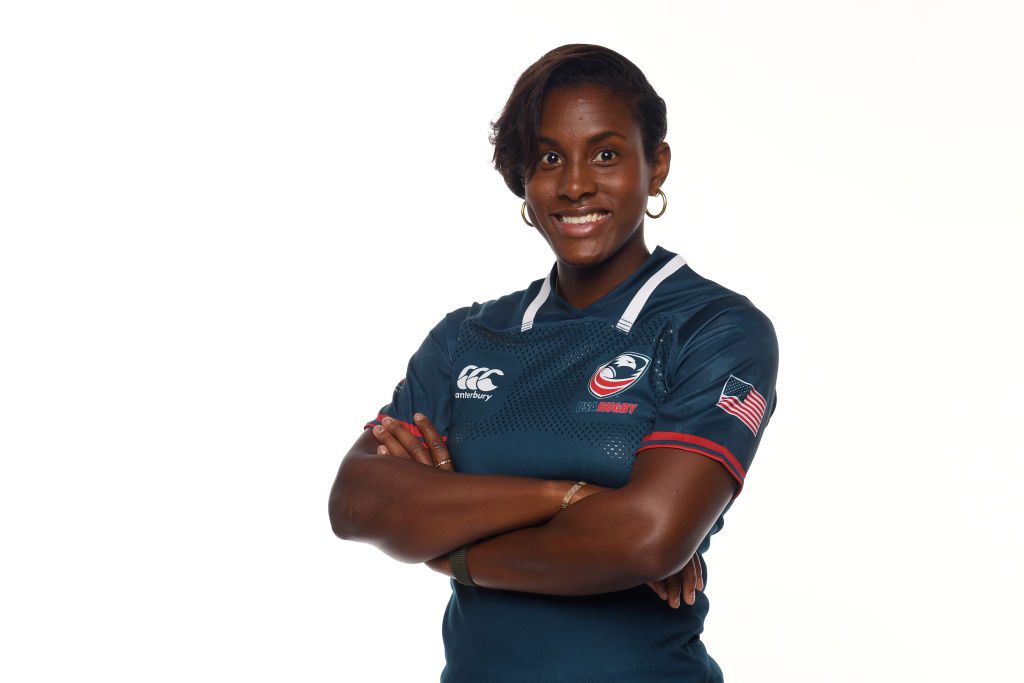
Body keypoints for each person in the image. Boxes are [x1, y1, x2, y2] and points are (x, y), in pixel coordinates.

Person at [329, 43, 779, 682]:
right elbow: (357, 503)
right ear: (524, 180)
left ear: (657, 165)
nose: (574, 184)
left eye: (606, 154)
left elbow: (648, 537)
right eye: (548, 158)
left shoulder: (713, 329)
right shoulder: (468, 337)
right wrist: (567, 497)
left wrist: (452, 551)